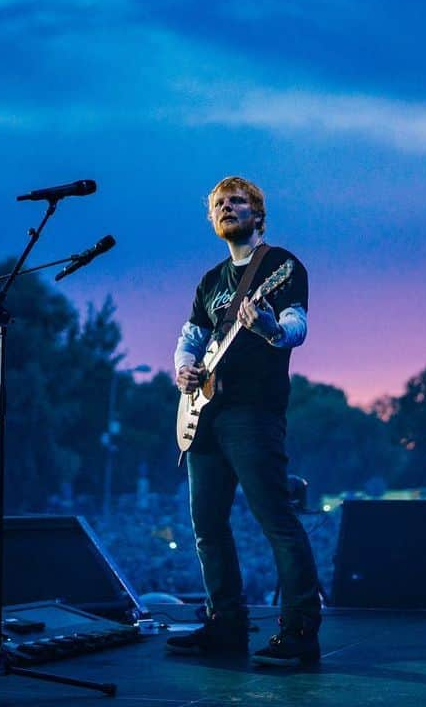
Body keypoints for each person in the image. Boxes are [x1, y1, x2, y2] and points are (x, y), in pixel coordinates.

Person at [166, 176, 321, 667]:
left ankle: (299, 629)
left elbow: (298, 324)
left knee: (275, 518)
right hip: (205, 413)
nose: (227, 208)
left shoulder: (280, 266)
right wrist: (183, 368)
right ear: (212, 219)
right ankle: (225, 623)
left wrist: (271, 327)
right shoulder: (210, 281)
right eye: (219, 204)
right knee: (207, 525)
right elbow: (190, 336)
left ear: (259, 215)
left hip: (253, 412)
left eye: (238, 201)